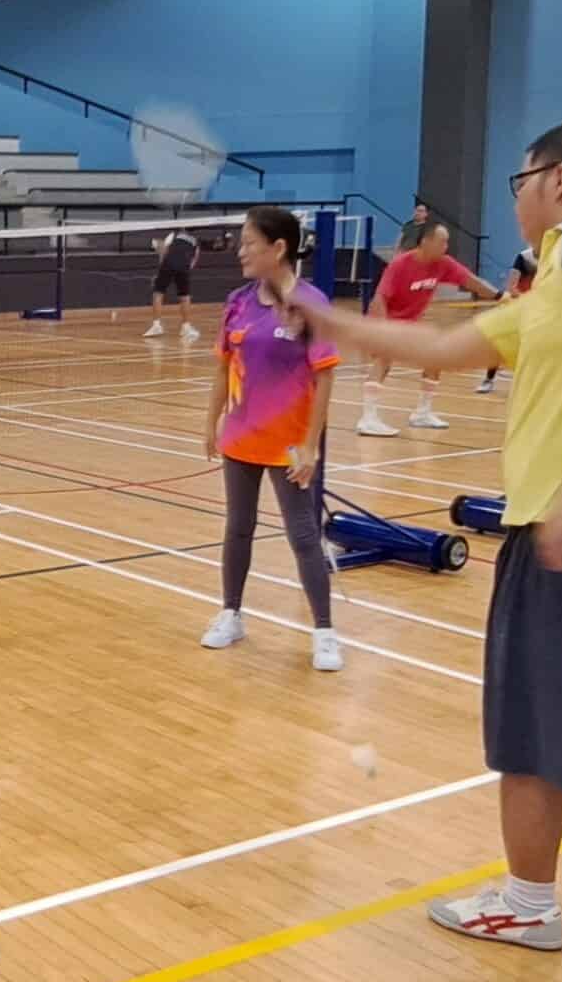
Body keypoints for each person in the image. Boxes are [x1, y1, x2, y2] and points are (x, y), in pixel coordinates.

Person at [269, 122, 562, 952]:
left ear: (560, 180)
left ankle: (528, 903)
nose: (519, 196)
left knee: (537, 721)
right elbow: (440, 344)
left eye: (521, 179)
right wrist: (332, 325)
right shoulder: (557, 288)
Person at [200, 207, 342, 671]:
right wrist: (211, 421)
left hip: (287, 444)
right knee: (237, 527)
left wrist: (311, 443)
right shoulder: (237, 302)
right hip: (241, 438)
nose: (241, 251)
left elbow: (324, 378)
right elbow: (223, 367)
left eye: (249, 242)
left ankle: (324, 631)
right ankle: (231, 613)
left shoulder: (310, 303)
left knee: (302, 535)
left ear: (278, 248)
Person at [357, 214, 498, 436]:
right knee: (384, 360)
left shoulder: (444, 264)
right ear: (425, 242)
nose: (446, 246)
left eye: (447, 242)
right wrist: (384, 331)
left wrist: (500, 295)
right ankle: (368, 418)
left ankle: (422, 413)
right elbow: (379, 299)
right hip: (385, 321)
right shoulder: (400, 265)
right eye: (442, 241)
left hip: (411, 323)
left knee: (436, 354)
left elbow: (472, 281)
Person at [476, 247, 538, 393]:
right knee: (499, 342)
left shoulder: (555, 254)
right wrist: (528, 299)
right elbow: (511, 286)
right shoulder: (524, 257)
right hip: (519, 305)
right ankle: (488, 380)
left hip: (540, 309)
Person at [144, 225, 202, 343]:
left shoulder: (173, 235)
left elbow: (164, 250)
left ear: (183, 228)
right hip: (184, 266)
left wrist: (161, 269)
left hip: (168, 264)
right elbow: (194, 260)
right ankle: (185, 327)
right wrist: (185, 267)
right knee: (185, 296)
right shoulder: (195, 242)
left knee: (158, 293)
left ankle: (156, 325)